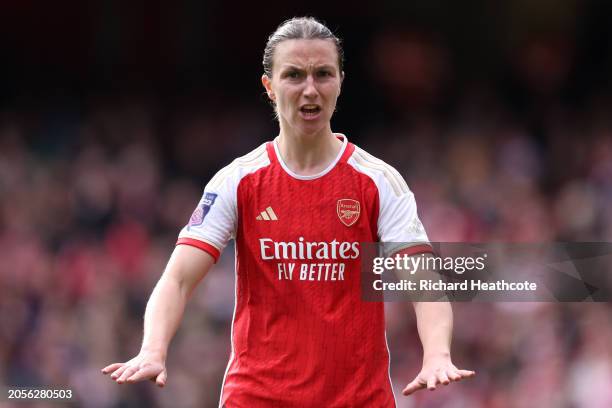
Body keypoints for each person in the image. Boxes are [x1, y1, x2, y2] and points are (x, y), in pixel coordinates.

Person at [102, 16, 475, 407]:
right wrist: (153, 350)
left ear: (340, 82)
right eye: (294, 75)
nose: (310, 90)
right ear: (269, 86)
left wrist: (437, 355)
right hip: (258, 398)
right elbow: (178, 278)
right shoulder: (238, 180)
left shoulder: (378, 181)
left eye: (323, 74)